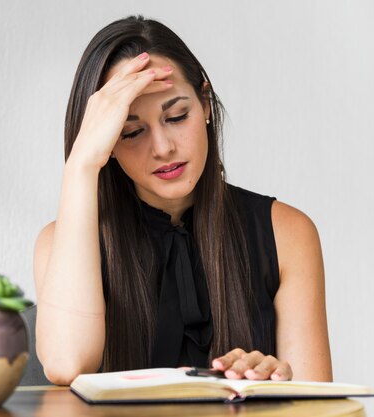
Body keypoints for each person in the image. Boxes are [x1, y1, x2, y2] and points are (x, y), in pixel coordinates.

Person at [33, 15, 332, 386]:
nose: (163, 148)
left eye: (176, 116)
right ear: (106, 143)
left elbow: (319, 405)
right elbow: (66, 363)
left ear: (205, 104)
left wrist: (273, 385)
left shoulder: (287, 232)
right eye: (131, 132)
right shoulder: (60, 245)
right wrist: (81, 165)